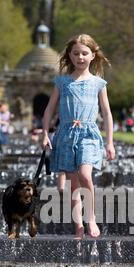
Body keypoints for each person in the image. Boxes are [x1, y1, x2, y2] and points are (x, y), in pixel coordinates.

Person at [41, 33, 115, 239]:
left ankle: (91, 217)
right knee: (74, 184)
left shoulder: (99, 83)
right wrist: (46, 134)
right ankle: (78, 227)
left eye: (84, 53)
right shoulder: (63, 82)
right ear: (70, 56)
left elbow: (107, 113)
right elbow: (49, 110)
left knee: (84, 175)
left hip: (89, 134)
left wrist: (109, 142)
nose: (80, 57)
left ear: (93, 55)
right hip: (66, 134)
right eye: (76, 53)